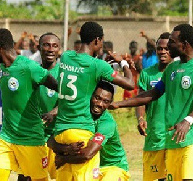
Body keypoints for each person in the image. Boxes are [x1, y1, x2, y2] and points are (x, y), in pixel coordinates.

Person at [110, 24, 193, 181]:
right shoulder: (172, 68)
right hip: (173, 139)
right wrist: (119, 104)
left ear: (184, 43)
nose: (167, 46)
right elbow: (153, 93)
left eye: (172, 42)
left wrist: (188, 121)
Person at [54, 21, 134, 181]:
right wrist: (123, 63)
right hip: (81, 130)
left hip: (60, 132)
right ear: (97, 40)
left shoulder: (66, 57)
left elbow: (83, 76)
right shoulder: (98, 65)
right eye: (102, 42)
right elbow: (130, 84)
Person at [0, 28, 58, 181]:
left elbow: (59, 88)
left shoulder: (29, 67)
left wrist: (56, 110)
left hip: (30, 138)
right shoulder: (5, 67)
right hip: (6, 136)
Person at [48, 81, 130, 181]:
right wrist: (67, 148)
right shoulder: (79, 114)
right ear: (90, 96)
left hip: (112, 166)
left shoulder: (107, 123)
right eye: (97, 98)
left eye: (106, 101)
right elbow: (50, 140)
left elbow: (88, 154)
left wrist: (63, 159)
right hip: (87, 166)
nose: (100, 104)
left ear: (110, 103)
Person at [136, 32, 172, 181]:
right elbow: (141, 99)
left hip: (174, 134)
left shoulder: (180, 71)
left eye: (166, 48)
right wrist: (140, 118)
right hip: (154, 134)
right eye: (159, 48)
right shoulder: (147, 74)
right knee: (155, 177)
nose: (162, 51)